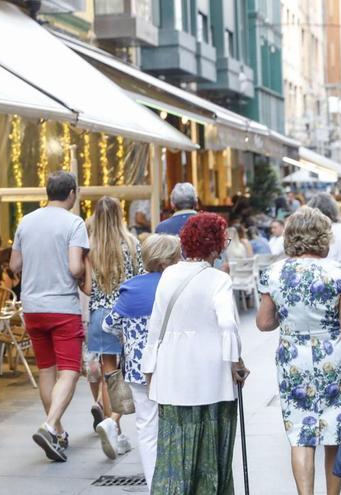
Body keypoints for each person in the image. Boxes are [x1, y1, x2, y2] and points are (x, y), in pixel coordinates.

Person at [256, 206, 341, 495]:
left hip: (293, 359)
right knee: (336, 431)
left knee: (300, 434)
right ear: (323, 237)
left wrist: (290, 315)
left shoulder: (274, 272)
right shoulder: (338, 272)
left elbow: (264, 322)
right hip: (334, 357)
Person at [140, 213, 248, 493]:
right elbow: (227, 323)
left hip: (173, 372)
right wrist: (235, 361)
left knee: (174, 447)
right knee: (211, 450)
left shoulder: (169, 275)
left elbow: (155, 326)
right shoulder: (218, 280)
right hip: (211, 378)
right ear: (214, 245)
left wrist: (149, 368)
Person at [10, 170, 89, 462]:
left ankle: (56, 431)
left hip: (32, 307)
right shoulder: (74, 223)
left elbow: (14, 264)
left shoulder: (26, 221)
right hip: (62, 307)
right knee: (70, 371)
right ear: (71, 193)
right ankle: (47, 425)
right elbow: (74, 268)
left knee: (47, 370)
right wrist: (83, 267)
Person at [103, 234, 181, 490]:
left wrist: (128, 337)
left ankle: (153, 486)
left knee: (147, 428)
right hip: (174, 365)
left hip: (138, 369)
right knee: (176, 425)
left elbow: (108, 324)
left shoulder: (131, 287)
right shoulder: (177, 285)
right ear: (169, 259)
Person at [80, 196, 142, 459]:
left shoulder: (89, 248)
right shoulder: (131, 243)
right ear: (120, 215)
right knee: (124, 372)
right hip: (125, 314)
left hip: (99, 316)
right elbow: (139, 278)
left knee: (109, 372)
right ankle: (112, 424)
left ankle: (112, 425)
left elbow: (87, 288)